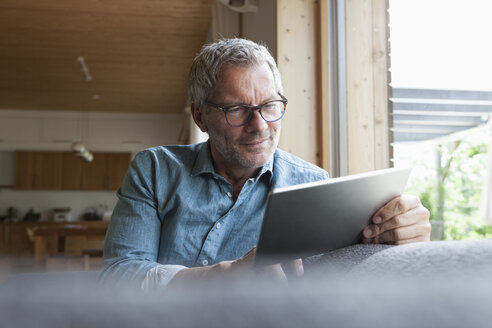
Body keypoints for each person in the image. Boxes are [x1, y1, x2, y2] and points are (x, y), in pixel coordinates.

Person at [101, 38, 431, 289]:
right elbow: (118, 275)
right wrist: (224, 276)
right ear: (200, 115)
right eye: (236, 109)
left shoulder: (312, 184)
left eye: (270, 105)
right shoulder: (155, 170)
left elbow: (335, 283)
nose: (259, 125)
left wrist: (397, 236)